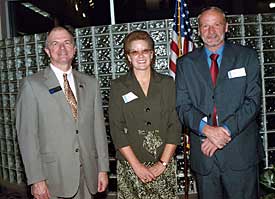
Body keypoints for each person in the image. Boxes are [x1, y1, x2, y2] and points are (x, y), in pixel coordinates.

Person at [176, 7, 263, 199]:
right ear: (198, 31)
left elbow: (253, 102)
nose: (211, 31)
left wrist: (222, 132)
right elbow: (182, 106)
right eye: (205, 26)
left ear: (226, 27)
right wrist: (207, 130)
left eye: (216, 25)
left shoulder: (246, 57)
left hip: (240, 155)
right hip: (205, 157)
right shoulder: (185, 64)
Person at [16, 26, 109, 199]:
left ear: (74, 49)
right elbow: (27, 137)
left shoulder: (90, 84)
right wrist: (37, 179)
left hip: (88, 175)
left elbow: (99, 130)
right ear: (47, 51)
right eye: (55, 43)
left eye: (67, 43)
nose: (62, 48)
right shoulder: (32, 85)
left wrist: (102, 168)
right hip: (53, 178)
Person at [109, 30, 181, 199]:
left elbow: (175, 124)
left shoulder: (167, 83)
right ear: (128, 56)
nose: (140, 56)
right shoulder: (118, 86)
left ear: (152, 54)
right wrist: (137, 166)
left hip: (163, 162)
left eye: (145, 51)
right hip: (130, 164)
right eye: (134, 52)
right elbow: (116, 129)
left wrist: (162, 163)